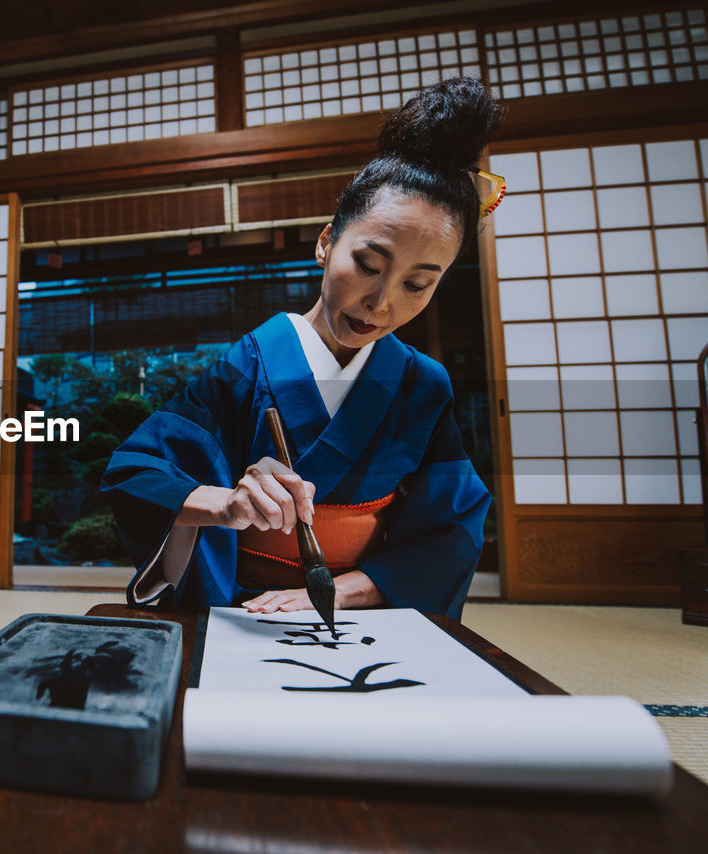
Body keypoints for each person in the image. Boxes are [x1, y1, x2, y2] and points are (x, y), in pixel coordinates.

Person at [102, 77, 500, 621]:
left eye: (417, 284)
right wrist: (226, 504)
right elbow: (136, 472)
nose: (381, 304)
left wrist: (348, 589)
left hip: (361, 610)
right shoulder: (246, 364)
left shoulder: (423, 385)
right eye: (368, 264)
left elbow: (453, 524)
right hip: (246, 609)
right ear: (326, 241)